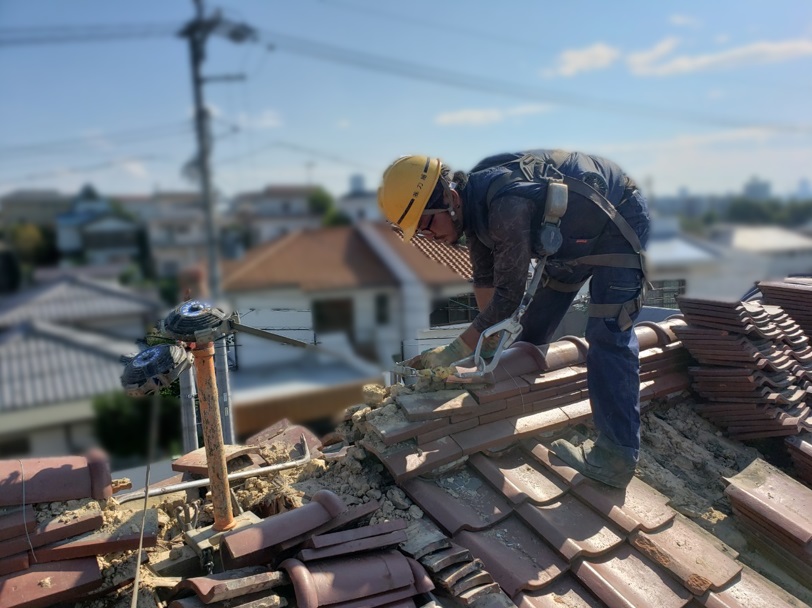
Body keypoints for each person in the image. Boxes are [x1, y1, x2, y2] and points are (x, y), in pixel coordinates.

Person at [377, 150, 650, 488]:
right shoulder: (474, 212)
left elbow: (509, 297)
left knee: (608, 334)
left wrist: (451, 352)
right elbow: (486, 284)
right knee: (531, 333)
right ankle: (515, 408)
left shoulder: (505, 205)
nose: (428, 235)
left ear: (450, 198)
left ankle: (617, 455)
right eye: (418, 231)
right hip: (574, 239)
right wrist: (485, 350)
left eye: (428, 222)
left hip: (618, 222)